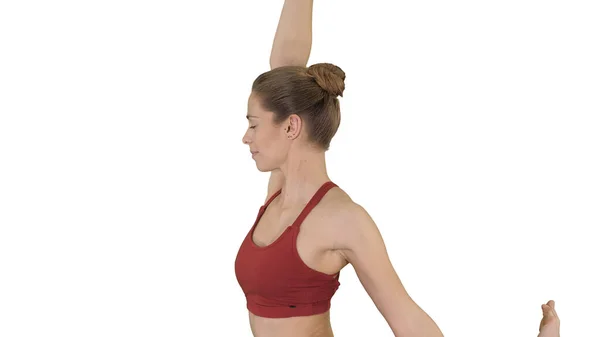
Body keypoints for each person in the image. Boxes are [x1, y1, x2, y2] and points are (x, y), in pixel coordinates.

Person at [234, 1, 562, 337]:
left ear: (291, 127)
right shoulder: (279, 194)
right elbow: (286, 68)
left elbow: (408, 321)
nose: (246, 137)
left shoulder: (343, 219)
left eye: (254, 125)